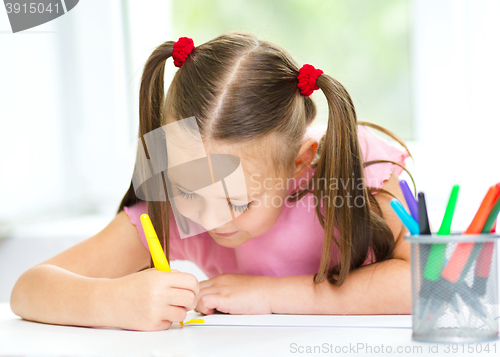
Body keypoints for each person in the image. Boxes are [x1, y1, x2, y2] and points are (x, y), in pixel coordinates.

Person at [10, 31, 413, 331]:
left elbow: (425, 282)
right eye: (189, 191)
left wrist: (270, 296)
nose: (213, 220)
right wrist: (111, 300)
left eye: (240, 203)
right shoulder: (170, 211)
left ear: (299, 162)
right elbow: (29, 290)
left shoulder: (352, 170)